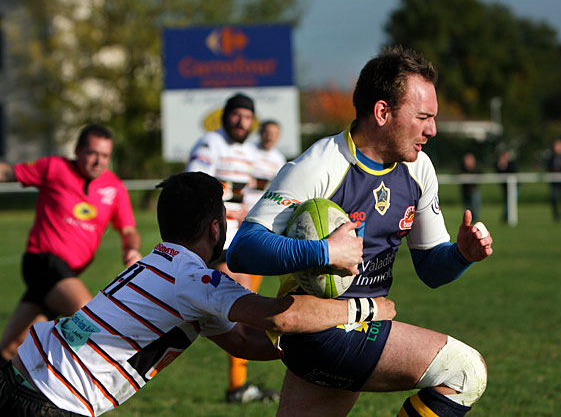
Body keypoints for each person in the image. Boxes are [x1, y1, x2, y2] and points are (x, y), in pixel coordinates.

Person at [227, 46, 492, 417]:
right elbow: (243, 248)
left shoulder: (419, 169)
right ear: (383, 112)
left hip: (357, 324)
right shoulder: (320, 165)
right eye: (423, 117)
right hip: (319, 330)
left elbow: (432, 270)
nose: (431, 129)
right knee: (465, 373)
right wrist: (324, 253)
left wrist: (462, 254)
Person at [0, 172, 396, 416]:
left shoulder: (158, 265)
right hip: (55, 400)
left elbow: (244, 340)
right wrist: (365, 308)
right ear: (214, 228)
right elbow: (280, 318)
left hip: (22, 372)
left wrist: (315, 342)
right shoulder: (194, 279)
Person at [0, 124, 141, 365]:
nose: (98, 161)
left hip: (64, 276)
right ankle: (75, 385)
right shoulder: (55, 167)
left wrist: (131, 247)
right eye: (92, 153)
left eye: (105, 155)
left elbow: (129, 229)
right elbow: (8, 173)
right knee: (87, 318)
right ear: (77, 150)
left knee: (11, 348)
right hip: (42, 262)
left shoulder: (115, 187)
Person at [185, 93, 276, 402]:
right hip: (220, 241)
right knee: (241, 312)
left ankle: (239, 385)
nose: (241, 121)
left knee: (239, 312)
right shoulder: (211, 143)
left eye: (247, 116)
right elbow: (194, 184)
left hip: (245, 240)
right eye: (236, 115)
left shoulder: (251, 152)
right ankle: (238, 387)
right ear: (225, 116)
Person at [243, 120, 287, 210]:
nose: (269, 137)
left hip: (263, 206)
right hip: (244, 203)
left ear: (278, 137)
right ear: (260, 133)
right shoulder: (247, 150)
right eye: (267, 132)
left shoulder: (279, 159)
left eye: (274, 134)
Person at [546, 139, 561, 223]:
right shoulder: (551, 157)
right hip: (554, 181)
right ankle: (556, 216)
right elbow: (548, 167)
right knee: (554, 198)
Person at [495, 150, 518, 223]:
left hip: (513, 187)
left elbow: (513, 172)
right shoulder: (498, 165)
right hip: (505, 187)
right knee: (506, 202)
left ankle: (505, 217)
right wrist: (501, 166)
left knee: (510, 202)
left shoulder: (512, 164)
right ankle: (506, 217)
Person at [459, 152, 482, 222]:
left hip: (474, 190)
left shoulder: (477, 167)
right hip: (465, 191)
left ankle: (476, 219)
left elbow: (481, 173)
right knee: (467, 207)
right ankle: (468, 219)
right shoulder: (462, 167)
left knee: (475, 206)